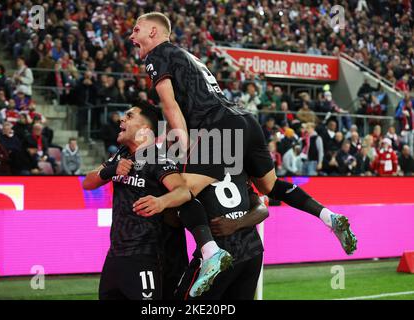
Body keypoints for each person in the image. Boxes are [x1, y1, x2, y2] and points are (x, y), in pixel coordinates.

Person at [130, 12, 356, 257]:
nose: (132, 36)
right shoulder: (189, 57)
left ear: (153, 32)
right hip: (245, 121)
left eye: (136, 30)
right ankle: (328, 216)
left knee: (183, 190)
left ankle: (210, 255)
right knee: (270, 186)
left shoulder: (157, 54)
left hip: (219, 127)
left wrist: (183, 147)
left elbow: (170, 104)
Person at [82, 104, 231, 299]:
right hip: (114, 257)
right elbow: (87, 183)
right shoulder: (121, 154)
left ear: (145, 130)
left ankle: (210, 251)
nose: (121, 119)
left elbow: (183, 191)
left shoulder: (158, 158)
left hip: (145, 256)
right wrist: (111, 170)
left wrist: (161, 202)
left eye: (129, 116)